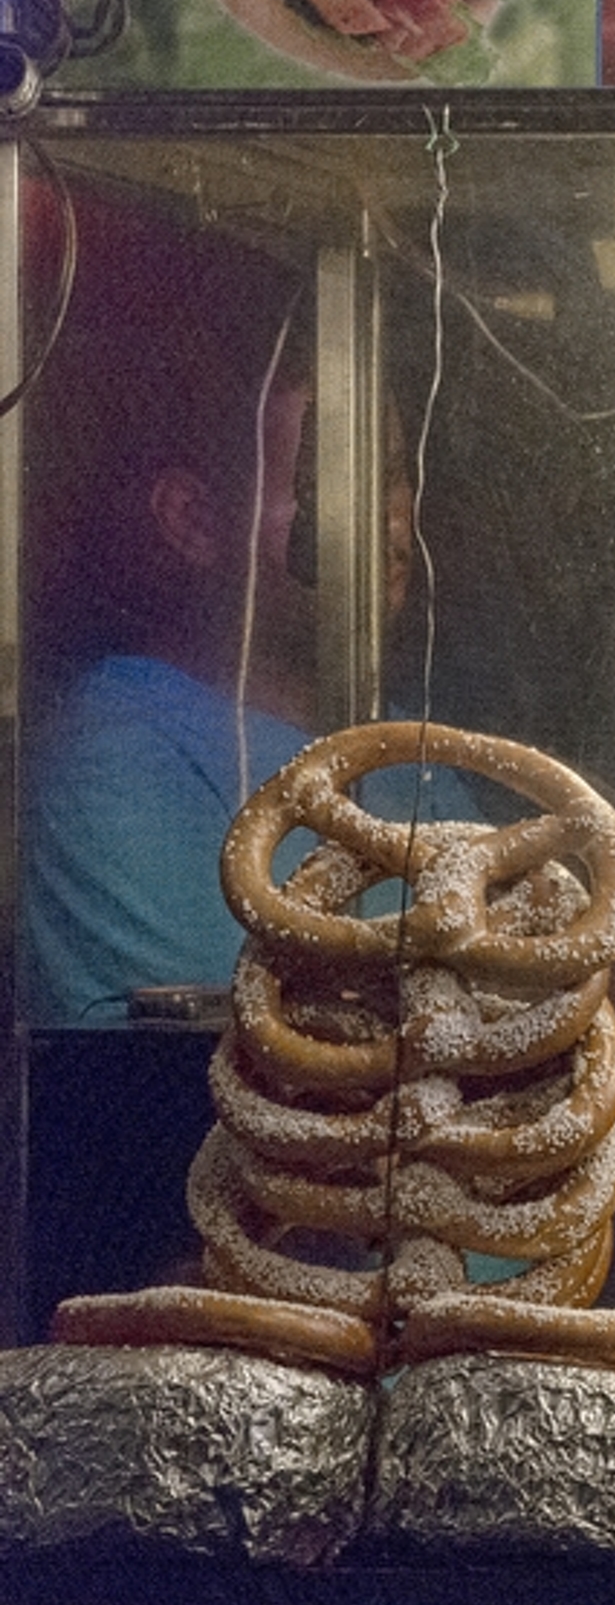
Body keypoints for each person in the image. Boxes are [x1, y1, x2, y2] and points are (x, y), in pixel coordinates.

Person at [20, 219, 447, 1028]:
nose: (387, 523)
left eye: (389, 479)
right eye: (326, 485)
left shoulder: (418, 758)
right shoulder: (122, 759)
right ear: (193, 520)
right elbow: (246, 1074)